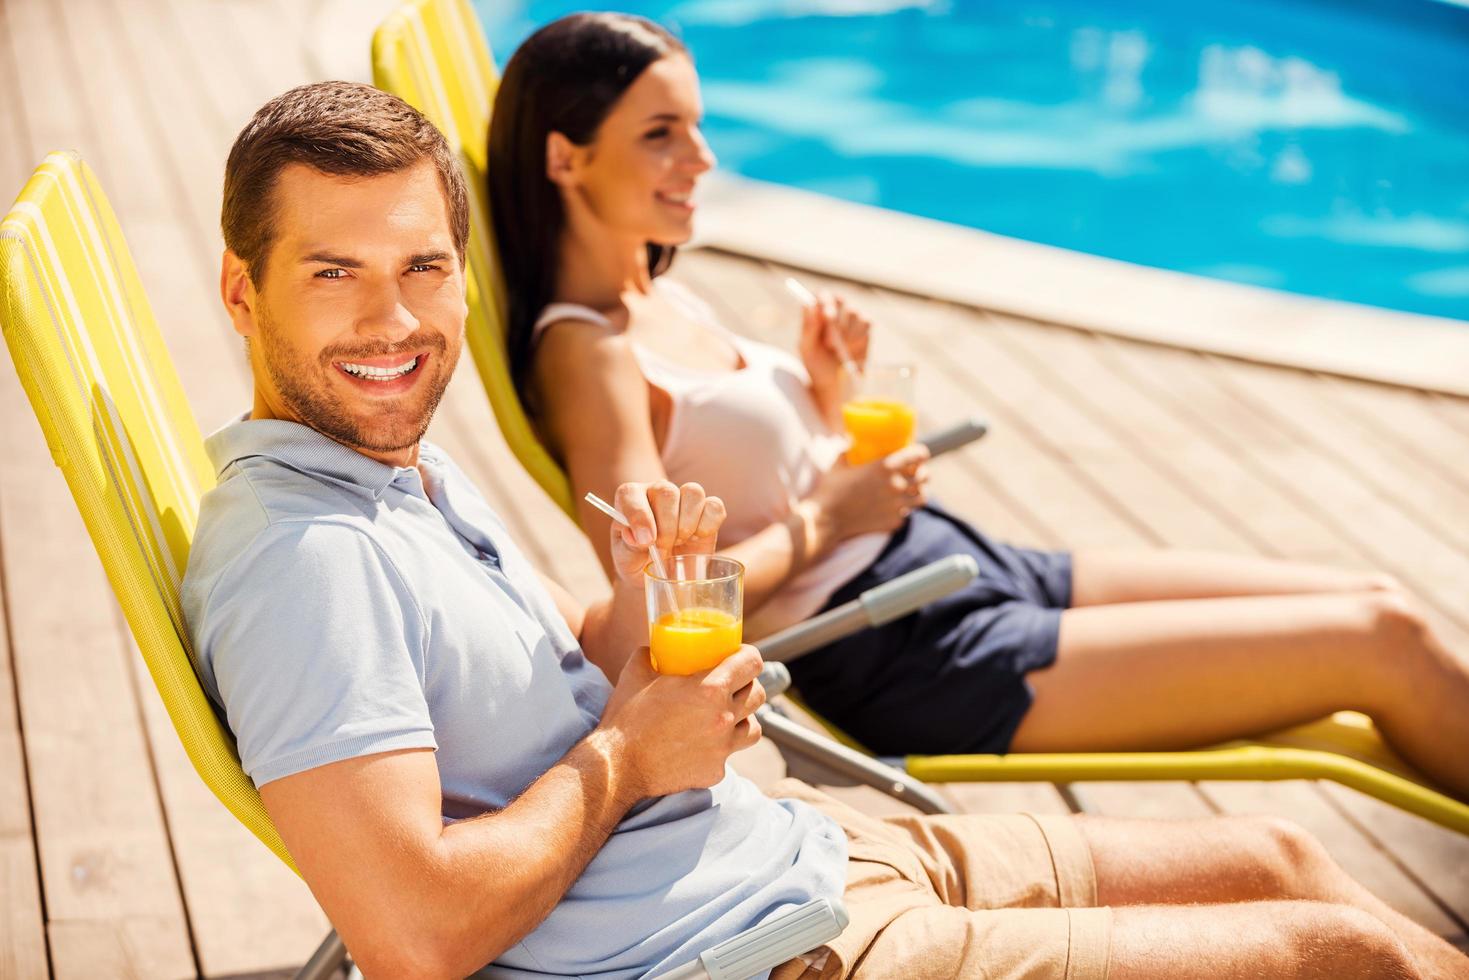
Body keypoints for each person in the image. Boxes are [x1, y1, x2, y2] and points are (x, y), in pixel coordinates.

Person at [183, 80, 1468, 980]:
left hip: (796, 850)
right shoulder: (304, 560)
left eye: (420, 267)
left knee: (1280, 851)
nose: (393, 320)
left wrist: (637, 613)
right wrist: (633, 752)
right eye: (333, 272)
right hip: (764, 951)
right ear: (241, 291)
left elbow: (536, 671)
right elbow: (411, 935)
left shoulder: (392, 468)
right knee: (1347, 956)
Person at [487, 11, 1469, 801]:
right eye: (659, 135)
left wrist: (826, 393)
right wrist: (830, 512)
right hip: (908, 649)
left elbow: (752, 466)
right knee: (1378, 642)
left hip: (953, 565)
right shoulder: (589, 354)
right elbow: (649, 608)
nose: (700, 158)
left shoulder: (656, 292)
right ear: (565, 158)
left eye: (696, 125)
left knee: (1375, 596)